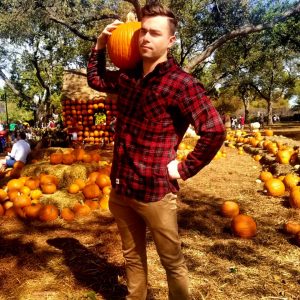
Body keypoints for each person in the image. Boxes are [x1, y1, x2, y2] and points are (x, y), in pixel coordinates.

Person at [87, 3, 225, 300]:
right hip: (122, 188)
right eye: (143, 32)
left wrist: (183, 169)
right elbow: (96, 80)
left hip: (156, 193)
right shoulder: (127, 76)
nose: (146, 38)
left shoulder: (182, 84)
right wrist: (99, 46)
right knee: (132, 258)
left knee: (172, 262)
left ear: (170, 40)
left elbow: (214, 130)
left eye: (155, 33)